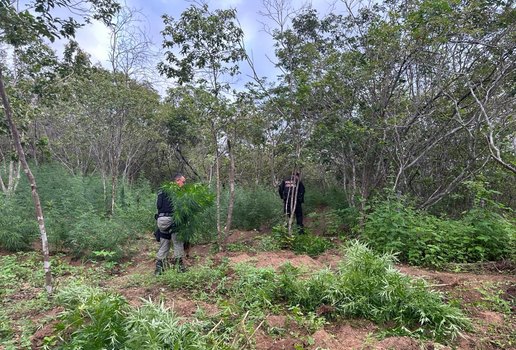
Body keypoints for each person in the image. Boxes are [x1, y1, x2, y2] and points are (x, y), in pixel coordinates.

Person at [155, 173, 187, 275]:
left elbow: (159, 206)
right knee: (177, 241)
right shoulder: (176, 191)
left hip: (161, 220)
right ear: (177, 181)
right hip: (172, 219)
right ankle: (179, 267)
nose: (184, 184)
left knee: (164, 242)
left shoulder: (162, 191)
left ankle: (159, 269)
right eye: (183, 182)